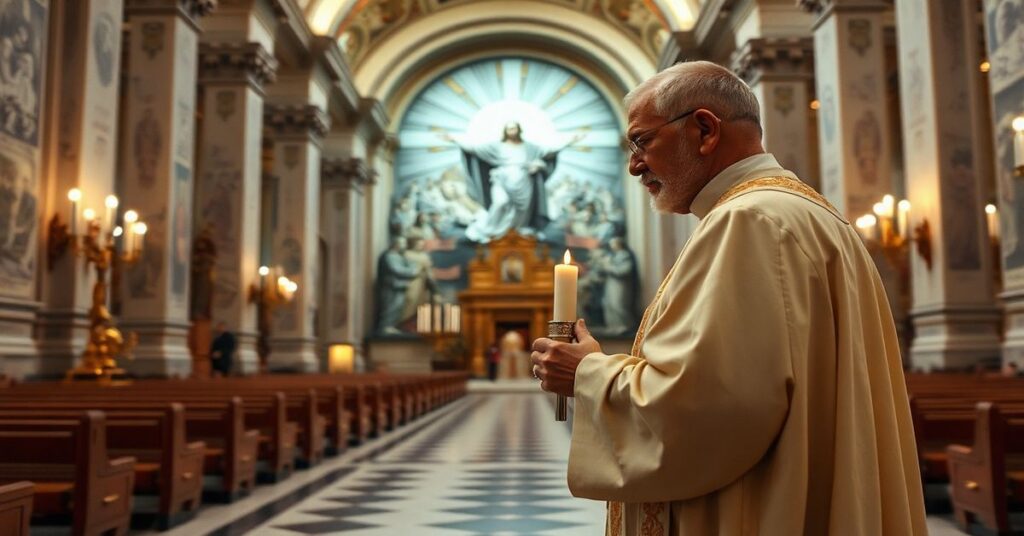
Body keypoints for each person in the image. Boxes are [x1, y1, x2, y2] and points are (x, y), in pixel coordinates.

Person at [530, 61, 927, 535]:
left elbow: (711, 408)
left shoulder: (749, 221)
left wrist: (587, 373)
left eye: (642, 142)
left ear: (704, 130)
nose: (634, 165)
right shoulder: (805, 212)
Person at [445, 122, 582, 242]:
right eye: (509, 128)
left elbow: (549, 151)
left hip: (523, 181)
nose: (512, 131)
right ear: (505, 131)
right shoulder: (497, 146)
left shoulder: (529, 147)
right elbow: (474, 149)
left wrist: (569, 141)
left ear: (519, 130)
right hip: (502, 179)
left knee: (521, 210)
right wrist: (454, 140)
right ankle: (490, 230)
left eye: (514, 128)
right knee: (500, 202)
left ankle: (515, 231)